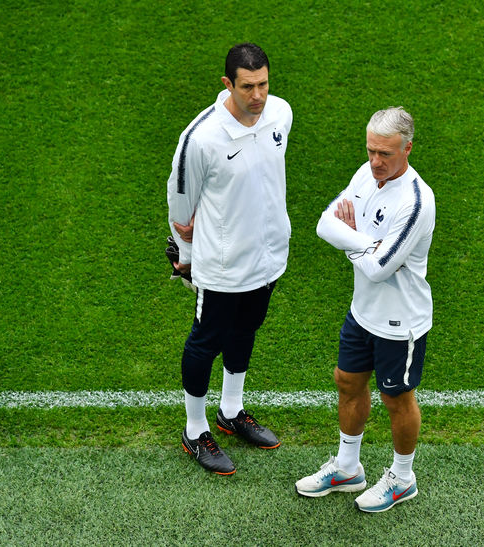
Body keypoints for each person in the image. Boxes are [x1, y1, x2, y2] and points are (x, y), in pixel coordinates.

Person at [295, 107, 435, 512]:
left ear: (407, 149)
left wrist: (349, 236)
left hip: (400, 321)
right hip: (363, 311)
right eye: (371, 150)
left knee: (398, 399)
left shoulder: (416, 201)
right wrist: (361, 242)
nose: (375, 161)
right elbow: (324, 224)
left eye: (386, 154)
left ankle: (402, 477)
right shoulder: (366, 173)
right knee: (347, 381)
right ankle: (347, 466)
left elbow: (378, 269)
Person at [166, 43, 292, 475]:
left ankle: (231, 412)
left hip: (269, 255)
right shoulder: (200, 139)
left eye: (263, 84)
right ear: (227, 84)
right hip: (221, 266)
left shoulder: (281, 114)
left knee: (247, 329)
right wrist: (186, 258)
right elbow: (181, 205)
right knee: (206, 341)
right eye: (247, 87)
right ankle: (195, 428)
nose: (258, 96)